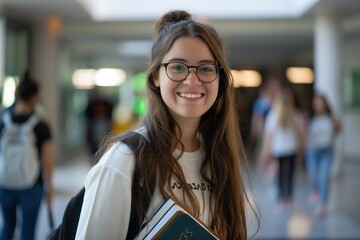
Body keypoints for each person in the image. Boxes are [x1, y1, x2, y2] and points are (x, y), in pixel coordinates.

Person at [75, 10, 258, 240]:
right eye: (178, 67)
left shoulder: (218, 156)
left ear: (220, 80)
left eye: (205, 68)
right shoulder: (124, 161)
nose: (192, 80)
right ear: (155, 77)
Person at [0, 70, 54, 240]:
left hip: (5, 182)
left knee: (8, 227)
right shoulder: (41, 125)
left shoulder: (3, 119)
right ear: (35, 97)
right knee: (27, 233)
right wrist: (50, 186)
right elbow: (47, 159)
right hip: (32, 185)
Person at [260, 87, 305, 211]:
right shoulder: (295, 115)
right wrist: (301, 149)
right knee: (289, 174)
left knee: (280, 175)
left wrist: (266, 150)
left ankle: (281, 199)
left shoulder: (273, 116)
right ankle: (288, 197)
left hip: (279, 150)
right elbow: (300, 134)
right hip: (291, 149)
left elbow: (269, 136)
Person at [306, 93, 340, 218]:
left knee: (324, 177)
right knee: (314, 175)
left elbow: (338, 131)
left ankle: (322, 204)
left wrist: (335, 124)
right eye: (317, 103)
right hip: (312, 151)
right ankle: (315, 192)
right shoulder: (310, 117)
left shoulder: (331, 117)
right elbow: (306, 134)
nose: (319, 106)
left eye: (321, 103)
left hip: (326, 150)